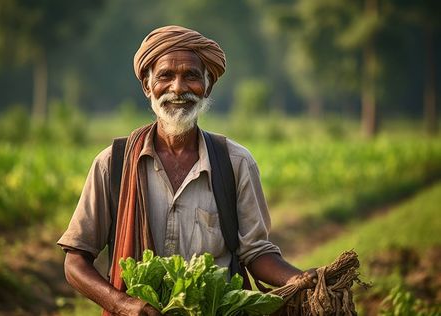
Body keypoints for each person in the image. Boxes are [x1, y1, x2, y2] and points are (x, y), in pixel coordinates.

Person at [58, 25, 315, 316]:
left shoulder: (235, 163)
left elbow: (256, 253)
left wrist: (302, 279)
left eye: (191, 76)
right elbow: (75, 261)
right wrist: (124, 304)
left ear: (208, 85)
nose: (178, 88)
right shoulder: (112, 164)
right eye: (166, 76)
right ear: (147, 85)